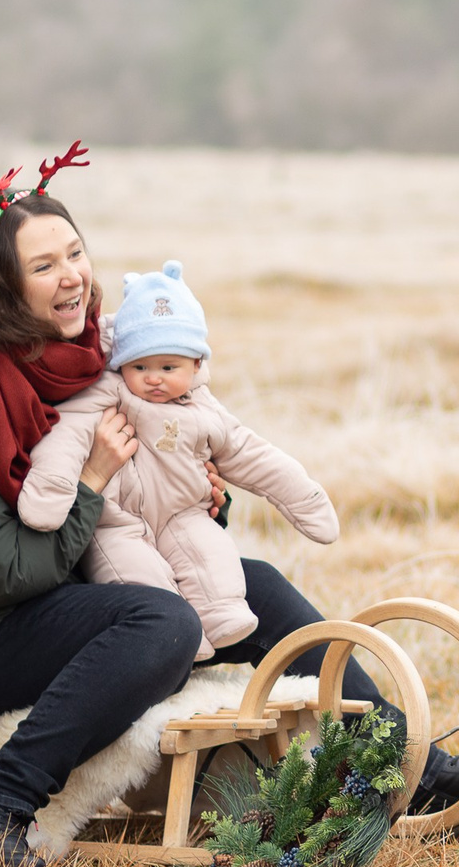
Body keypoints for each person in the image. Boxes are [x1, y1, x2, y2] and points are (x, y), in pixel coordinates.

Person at [0, 148, 459, 867]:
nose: (72, 277)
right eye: (42, 266)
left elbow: (142, 500)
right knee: (163, 623)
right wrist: (92, 480)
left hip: (43, 584)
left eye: (75, 252)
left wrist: (198, 497)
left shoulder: (95, 357)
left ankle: (407, 765)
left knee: (252, 582)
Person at [19, 261, 340, 660]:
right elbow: (65, 436)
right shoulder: (107, 393)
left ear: (196, 365)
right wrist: (50, 491)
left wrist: (303, 498)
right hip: (118, 523)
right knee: (140, 583)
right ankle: (181, 642)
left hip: (181, 514)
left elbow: (252, 455)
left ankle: (221, 616)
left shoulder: (204, 409)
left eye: (168, 368)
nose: (153, 378)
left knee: (212, 555)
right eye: (140, 367)